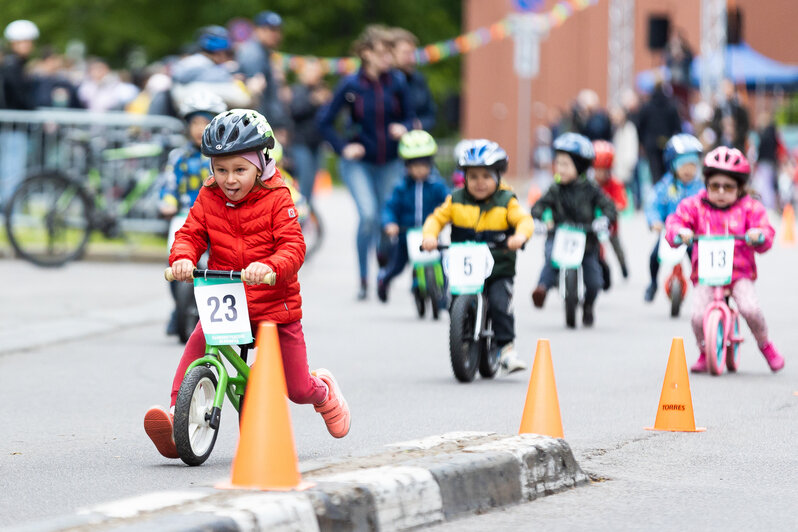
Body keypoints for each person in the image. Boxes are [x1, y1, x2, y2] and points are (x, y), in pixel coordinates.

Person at [143, 109, 351, 459]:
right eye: (220, 170)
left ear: (261, 164)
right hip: (228, 298)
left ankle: (324, 392)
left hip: (275, 306)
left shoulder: (278, 196)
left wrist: (269, 266)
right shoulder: (209, 196)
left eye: (240, 170)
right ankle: (179, 414)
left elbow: (294, 247)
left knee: (297, 387)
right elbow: (190, 233)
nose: (229, 179)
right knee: (199, 339)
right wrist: (182, 257)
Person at [665, 146, 784, 373]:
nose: (720, 192)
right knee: (698, 315)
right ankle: (704, 350)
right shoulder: (695, 206)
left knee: (750, 309)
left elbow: (766, 231)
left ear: (740, 188)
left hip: (739, 274)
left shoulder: (749, 207)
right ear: (706, 184)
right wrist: (680, 232)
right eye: (714, 186)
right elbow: (676, 220)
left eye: (728, 187)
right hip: (707, 274)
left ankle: (765, 345)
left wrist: (758, 235)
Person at [318, 25, 415, 300]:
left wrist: (404, 127)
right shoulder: (351, 85)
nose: (388, 58)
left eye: (389, 52)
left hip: (390, 163)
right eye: (382, 52)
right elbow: (324, 121)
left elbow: (410, 116)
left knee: (387, 219)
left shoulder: (396, 82)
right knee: (368, 216)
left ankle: (383, 259)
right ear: (366, 53)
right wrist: (343, 147)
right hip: (359, 163)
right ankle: (363, 278)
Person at [421, 139, 532, 374]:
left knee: (501, 303)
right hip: (465, 268)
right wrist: (429, 236)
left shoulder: (506, 200)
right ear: (465, 178)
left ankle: (505, 348)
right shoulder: (456, 200)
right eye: (473, 177)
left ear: (497, 176)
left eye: (485, 176)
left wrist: (519, 237)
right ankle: (463, 340)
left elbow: (523, 220)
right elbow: (436, 219)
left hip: (498, 266)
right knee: (455, 304)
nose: (479, 182)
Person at [530, 133, 618, 326]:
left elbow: (609, 206)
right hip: (559, 234)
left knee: (594, 280)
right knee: (551, 258)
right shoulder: (555, 188)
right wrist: (536, 219)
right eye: (558, 163)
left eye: (566, 164)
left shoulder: (591, 188)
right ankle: (542, 288)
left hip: (587, 239)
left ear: (579, 166)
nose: (560, 169)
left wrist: (604, 219)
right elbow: (539, 205)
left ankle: (588, 304)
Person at [160, 91, 227, 336]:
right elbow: (169, 185)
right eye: (195, 123)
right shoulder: (178, 157)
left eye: (206, 123)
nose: (200, 129)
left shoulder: (221, 158)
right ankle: (179, 307)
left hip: (217, 217)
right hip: (185, 214)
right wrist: (167, 203)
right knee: (176, 259)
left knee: (222, 262)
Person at [377, 130, 449, 303]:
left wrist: (452, 215)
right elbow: (390, 207)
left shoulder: (437, 186)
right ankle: (383, 281)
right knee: (397, 266)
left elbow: (449, 202)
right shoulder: (401, 187)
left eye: (423, 165)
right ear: (406, 166)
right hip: (405, 236)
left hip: (430, 236)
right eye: (414, 166)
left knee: (441, 265)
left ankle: (443, 300)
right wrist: (390, 223)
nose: (419, 170)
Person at [643, 133, 704, 302]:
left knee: (697, 260)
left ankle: (701, 288)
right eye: (683, 166)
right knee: (654, 256)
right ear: (673, 165)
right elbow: (653, 203)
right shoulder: (666, 185)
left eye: (692, 165)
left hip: (692, 235)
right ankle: (653, 283)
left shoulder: (701, 188)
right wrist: (654, 220)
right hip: (670, 232)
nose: (688, 170)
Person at [0, 20, 38, 205]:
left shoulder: (16, 65)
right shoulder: (11, 66)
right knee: (11, 171)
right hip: (12, 126)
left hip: (14, 126)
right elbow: (19, 96)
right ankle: (7, 210)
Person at [236, 11, 290, 133]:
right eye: (270, 30)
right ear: (257, 30)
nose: (275, 34)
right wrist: (270, 127)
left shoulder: (263, 52)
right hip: (259, 126)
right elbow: (256, 96)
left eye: (277, 30)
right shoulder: (254, 54)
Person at [288, 58, 331, 202]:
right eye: (311, 70)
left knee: (312, 184)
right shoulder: (298, 90)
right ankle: (301, 213)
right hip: (300, 143)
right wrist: (313, 102)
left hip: (317, 143)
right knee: (304, 183)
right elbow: (295, 111)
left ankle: (306, 212)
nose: (314, 74)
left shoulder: (322, 90)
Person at [592, 140, 629, 285]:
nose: (600, 174)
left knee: (617, 247)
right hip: (594, 223)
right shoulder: (590, 184)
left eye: (604, 170)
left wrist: (616, 207)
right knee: (595, 248)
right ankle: (601, 268)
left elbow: (622, 202)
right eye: (597, 170)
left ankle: (623, 265)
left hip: (610, 225)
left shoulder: (615, 184)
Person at [389, 28, 436, 131]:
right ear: (391, 54)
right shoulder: (381, 82)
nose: (411, 58)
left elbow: (431, 116)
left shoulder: (418, 80)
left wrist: (417, 125)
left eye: (413, 53)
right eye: (406, 53)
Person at [638, 80, 682, 184]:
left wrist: (643, 142)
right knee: (668, 172)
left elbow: (640, 126)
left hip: (651, 144)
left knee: (655, 173)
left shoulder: (647, 107)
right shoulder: (671, 106)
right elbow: (677, 127)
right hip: (667, 143)